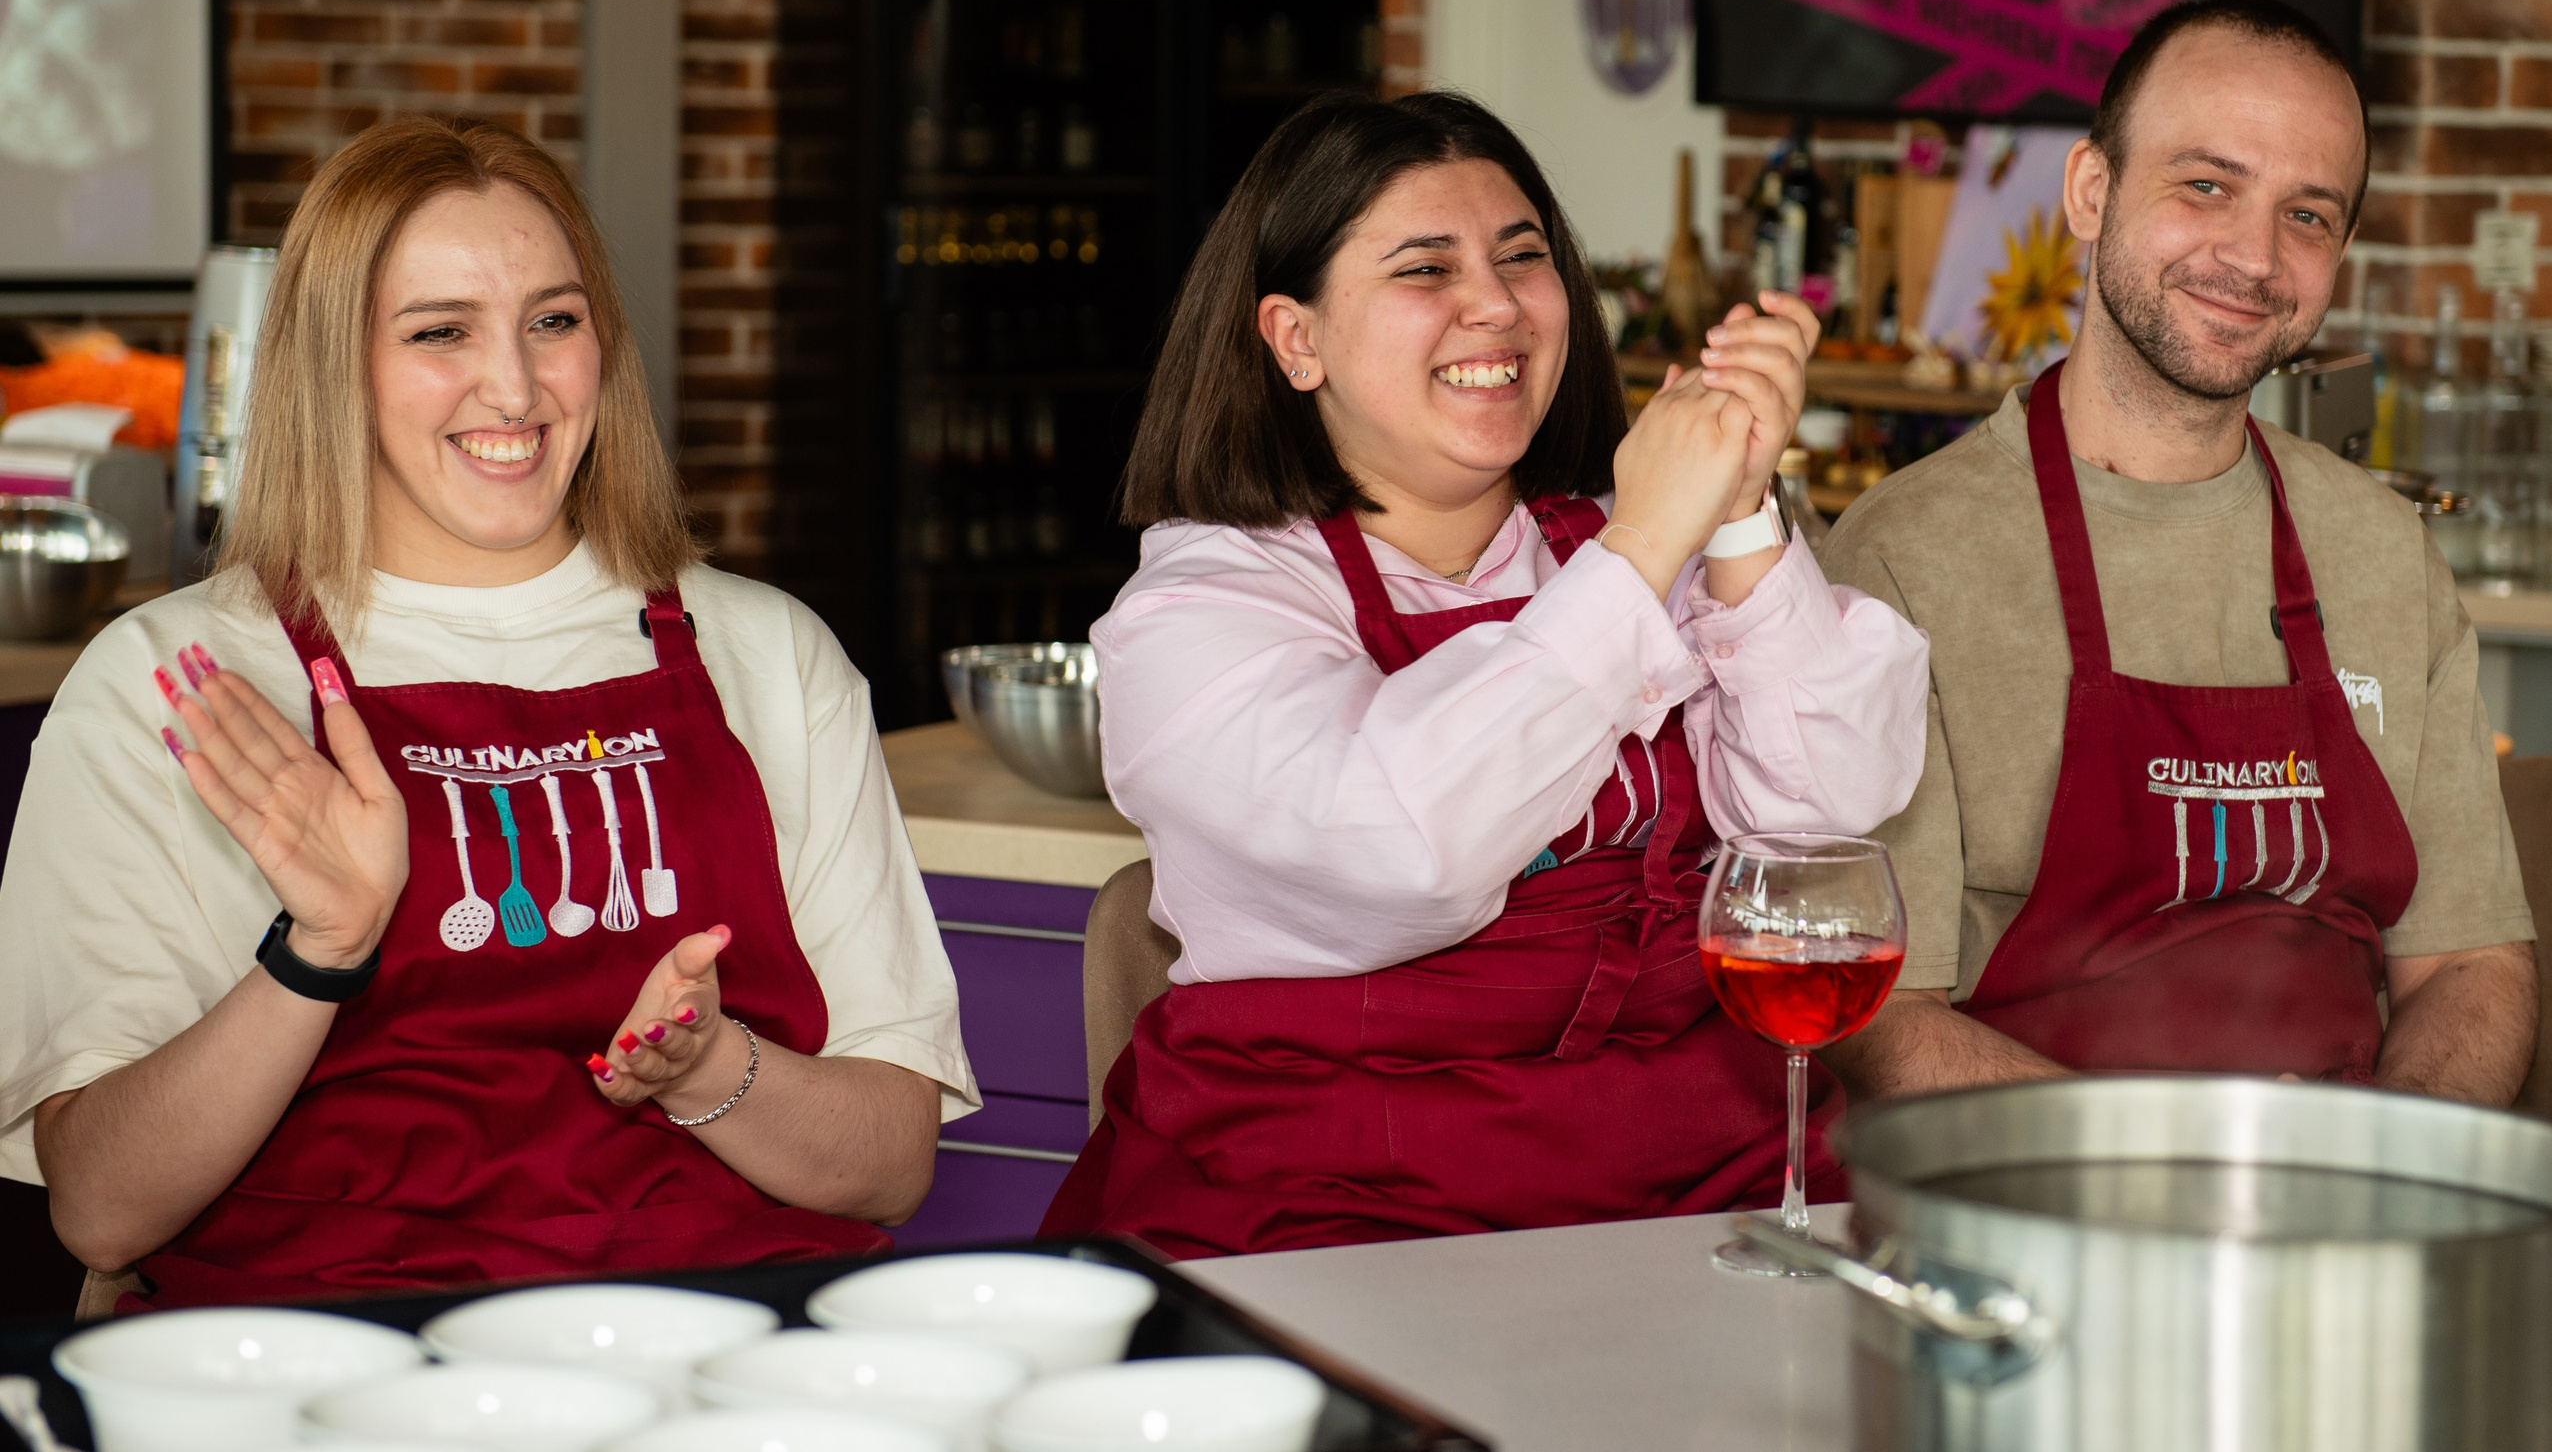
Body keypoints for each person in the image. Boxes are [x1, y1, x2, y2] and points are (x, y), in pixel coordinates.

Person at [0, 119, 977, 1307]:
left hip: (719, 1336)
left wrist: (707, 1068)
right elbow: (102, 1210)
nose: (514, 388)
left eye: (553, 321)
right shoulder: (179, 681)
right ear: (333, 365)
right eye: (439, 332)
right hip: (334, 1347)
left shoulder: (770, 655)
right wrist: (321, 952)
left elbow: (890, 1166)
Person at [1041, 92, 1930, 1258]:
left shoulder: (1634, 545)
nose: (1498, 305)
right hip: (1338, 1209)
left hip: (1706, 1180)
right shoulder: (1198, 610)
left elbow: (1824, 812)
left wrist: (1740, 508)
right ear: (1296, 339)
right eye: (1426, 269)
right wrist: (1644, 542)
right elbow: (1401, 852)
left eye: (1522, 257)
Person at [1818, 0, 2538, 1105]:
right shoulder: (1905, 560)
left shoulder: (2385, 555)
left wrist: (2373, 1162)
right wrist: (2178, 1172)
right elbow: (1878, 1016)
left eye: (2307, 215)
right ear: (2090, 191)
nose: (2253, 256)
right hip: (2026, 1189)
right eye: (2205, 185)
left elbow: (2471, 965)